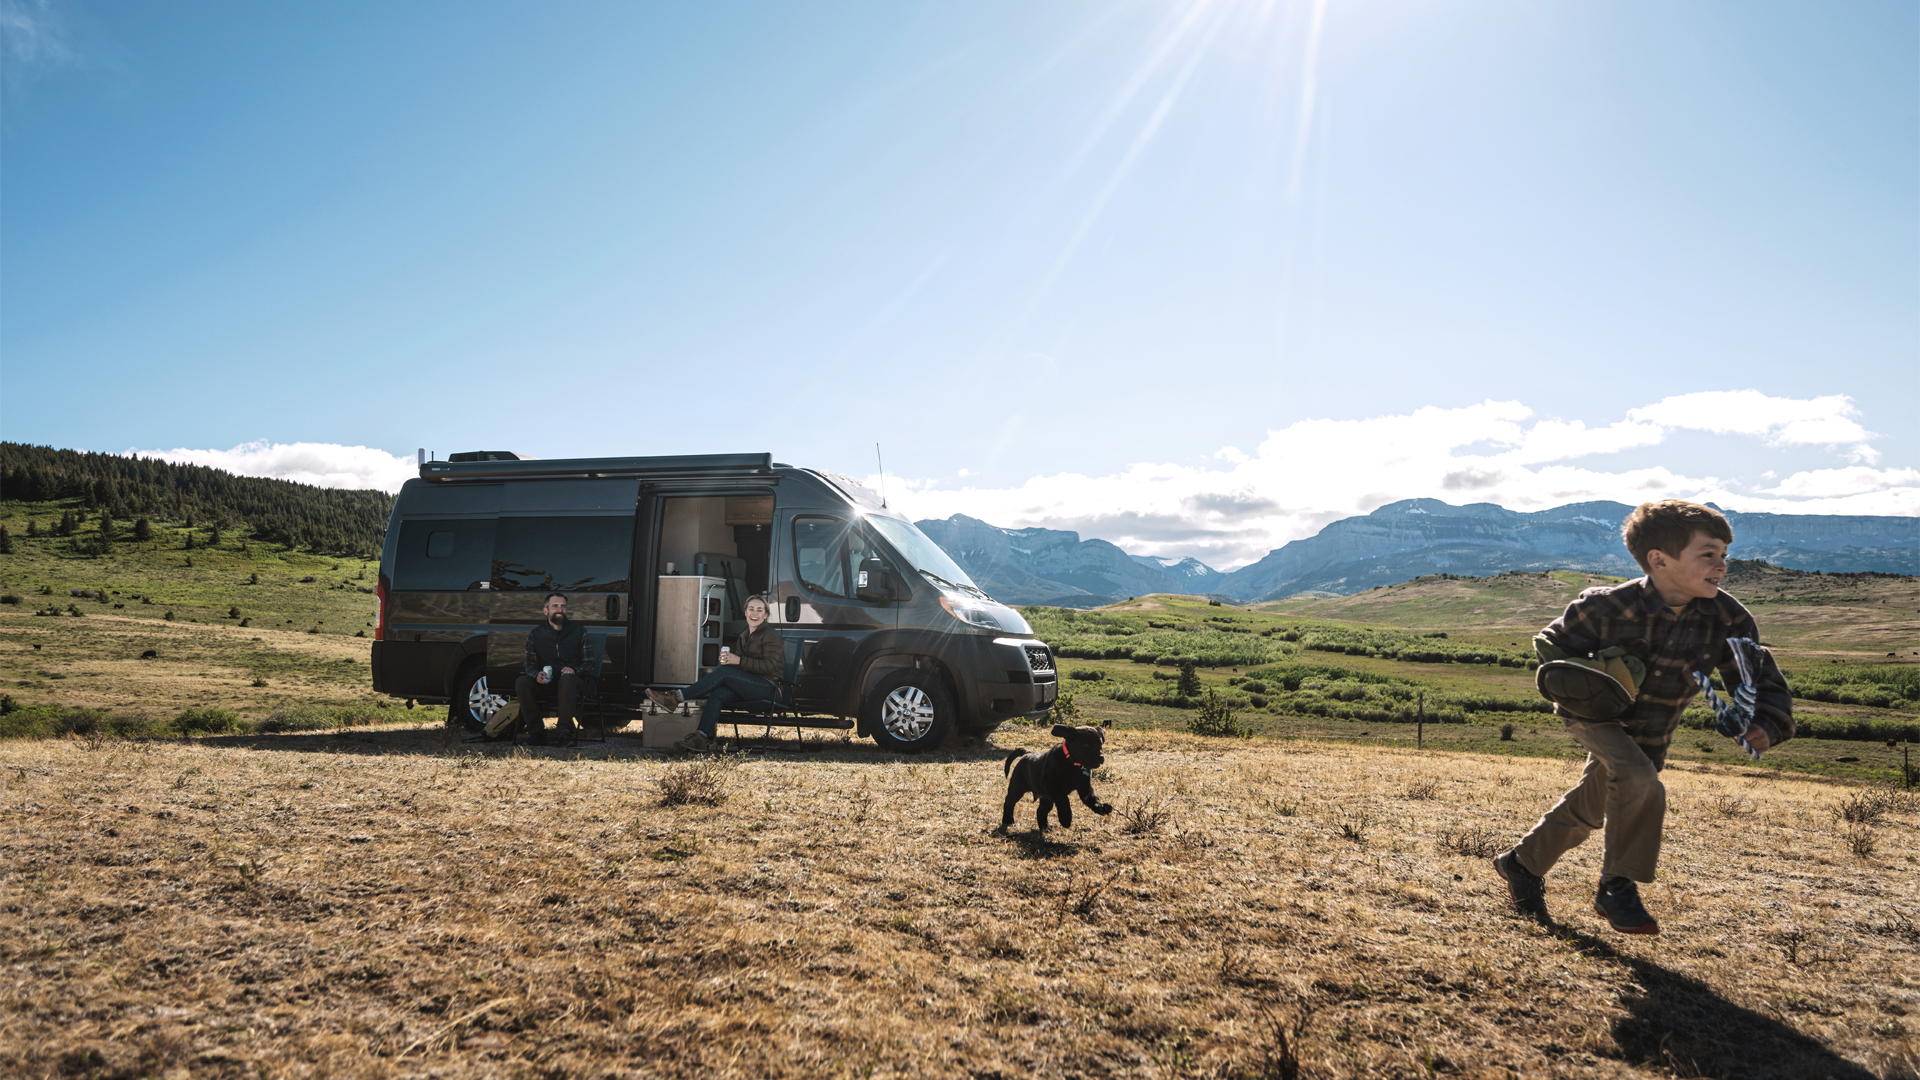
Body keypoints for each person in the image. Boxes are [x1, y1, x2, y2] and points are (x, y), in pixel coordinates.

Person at [1494, 500, 1793, 934]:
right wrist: (1592, 679)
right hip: (1594, 718)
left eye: (1724, 555)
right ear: (1659, 560)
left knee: (1596, 803)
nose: (1722, 565)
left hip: (1654, 730)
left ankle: (1521, 864)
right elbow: (1552, 646)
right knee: (1638, 781)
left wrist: (1767, 722)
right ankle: (1617, 886)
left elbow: (1759, 679)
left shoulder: (1729, 618)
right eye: (1708, 554)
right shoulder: (1604, 607)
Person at [648, 593, 782, 752]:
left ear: (765, 615)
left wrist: (737, 661)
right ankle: (700, 738)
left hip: (769, 688)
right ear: (745, 612)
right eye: (751, 609)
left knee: (724, 673)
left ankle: (675, 698)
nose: (755, 613)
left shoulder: (771, 635)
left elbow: (770, 666)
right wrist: (731, 661)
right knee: (719, 692)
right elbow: (743, 668)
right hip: (750, 686)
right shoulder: (744, 635)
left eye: (759, 610)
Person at [516, 592, 596, 747]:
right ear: (546, 610)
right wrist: (535, 675)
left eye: (563, 606)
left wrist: (575, 671)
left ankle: (564, 732)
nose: (560, 609)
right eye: (555, 606)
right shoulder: (536, 634)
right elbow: (529, 665)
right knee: (522, 681)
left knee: (567, 679)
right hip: (547, 682)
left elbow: (589, 663)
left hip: (574, 682)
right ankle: (536, 732)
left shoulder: (579, 631)